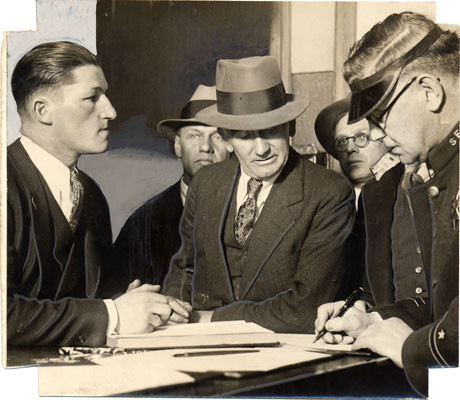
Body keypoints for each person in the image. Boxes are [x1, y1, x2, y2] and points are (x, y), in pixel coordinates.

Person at [7, 41, 189, 346]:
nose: (111, 110)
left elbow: (89, 298)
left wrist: (138, 305)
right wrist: (112, 315)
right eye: (92, 97)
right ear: (43, 110)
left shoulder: (90, 195)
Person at [314, 12, 459, 395]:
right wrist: (374, 320)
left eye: (379, 117)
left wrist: (411, 346)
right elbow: (440, 302)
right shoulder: (437, 168)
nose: (376, 135)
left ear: (429, 91)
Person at [162, 56, 355, 332]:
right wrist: (172, 309)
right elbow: (186, 266)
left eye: (271, 131)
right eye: (245, 136)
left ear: (290, 127)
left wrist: (213, 320)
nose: (261, 149)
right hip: (197, 342)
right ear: (226, 139)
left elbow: (305, 308)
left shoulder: (328, 193)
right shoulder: (205, 183)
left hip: (284, 350)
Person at [113, 85, 231, 289]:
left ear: (233, 146)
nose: (206, 147)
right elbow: (115, 294)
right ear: (178, 146)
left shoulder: (253, 209)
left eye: (218, 136)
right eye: (195, 135)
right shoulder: (143, 222)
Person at [314, 97, 391, 293]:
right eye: (342, 141)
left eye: (361, 137)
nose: (350, 148)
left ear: (385, 138)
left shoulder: (403, 195)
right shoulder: (328, 201)